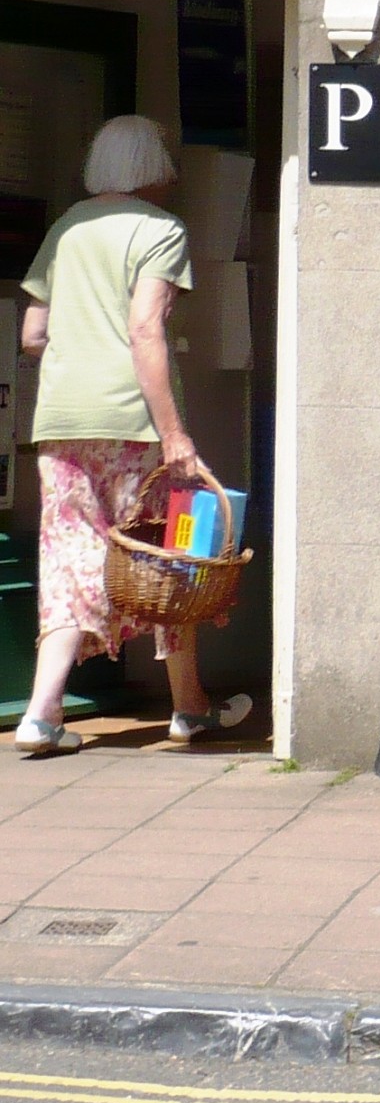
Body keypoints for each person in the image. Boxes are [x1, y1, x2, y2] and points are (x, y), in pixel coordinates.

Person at [15, 116, 250, 756]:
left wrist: (78, 351)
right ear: (154, 167)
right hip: (130, 422)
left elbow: (33, 335)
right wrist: (175, 435)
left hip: (61, 419)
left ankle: (41, 713)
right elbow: (145, 329)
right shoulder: (160, 230)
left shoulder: (67, 228)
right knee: (167, 556)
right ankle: (189, 709)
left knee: (69, 559)